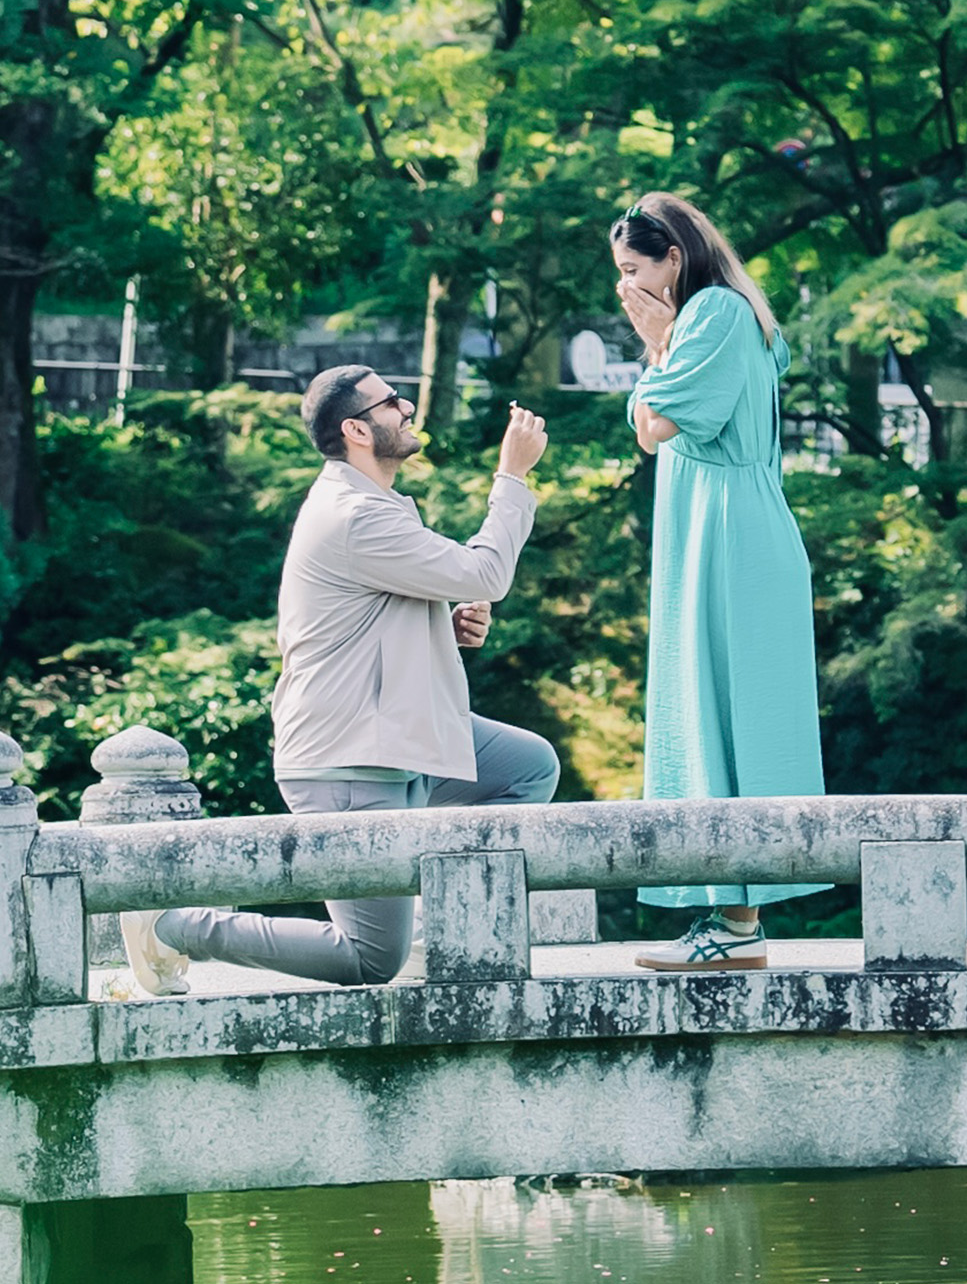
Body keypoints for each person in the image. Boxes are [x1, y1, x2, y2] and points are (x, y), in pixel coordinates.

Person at [120, 365, 557, 995]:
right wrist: (511, 477)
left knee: (527, 767)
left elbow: (397, 605)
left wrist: (443, 622)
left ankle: (436, 922)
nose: (407, 408)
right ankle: (175, 924)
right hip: (349, 761)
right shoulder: (355, 515)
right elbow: (485, 573)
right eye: (391, 402)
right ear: (356, 428)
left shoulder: (376, 506)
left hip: (405, 739)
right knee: (368, 961)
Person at [611, 193, 829, 971]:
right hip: (726, 527)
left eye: (633, 270)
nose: (626, 288)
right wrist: (660, 345)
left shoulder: (710, 315)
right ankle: (733, 924)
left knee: (723, 719)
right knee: (717, 717)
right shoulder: (732, 314)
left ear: (673, 259)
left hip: (727, 535)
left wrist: (657, 339)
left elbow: (652, 427)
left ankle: (736, 930)